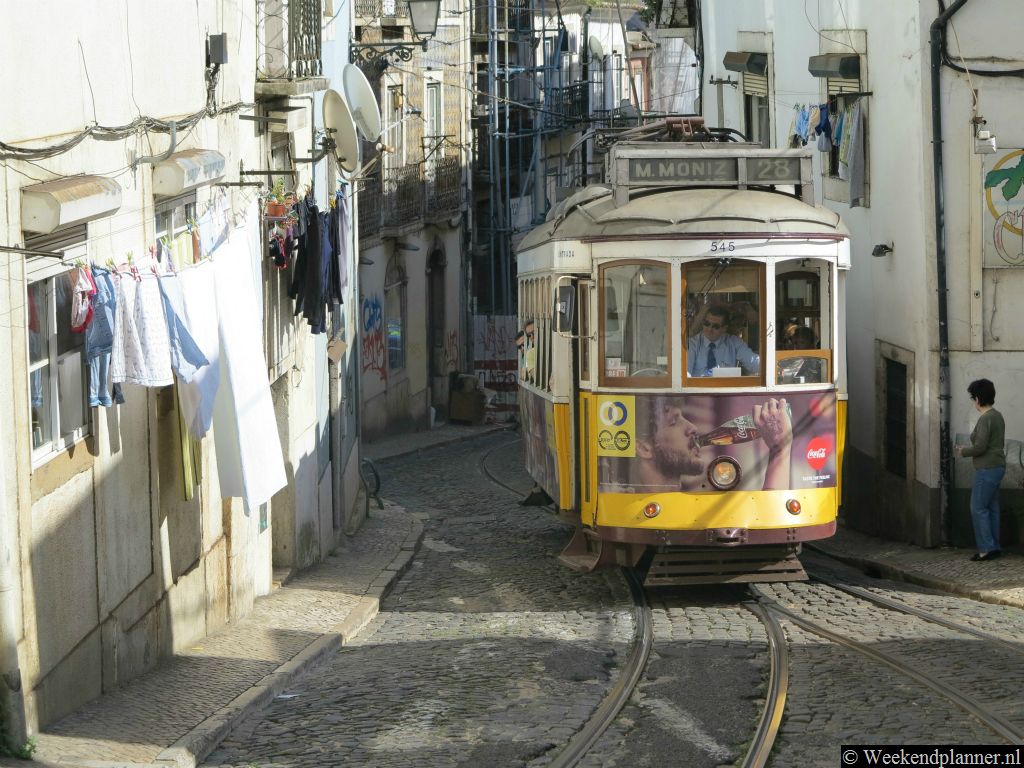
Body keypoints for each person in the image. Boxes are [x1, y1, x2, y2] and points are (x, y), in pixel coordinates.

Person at [623, 396, 792, 492]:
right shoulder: (635, 514)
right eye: (674, 421)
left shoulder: (689, 503)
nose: (692, 428)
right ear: (644, 448)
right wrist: (780, 448)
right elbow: (766, 521)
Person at [955, 378, 1006, 561]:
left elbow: (980, 447)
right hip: (998, 466)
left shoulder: (986, 419)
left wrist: (963, 451)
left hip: (986, 468)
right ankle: (994, 546)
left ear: (977, 399)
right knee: (991, 507)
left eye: (973, 398)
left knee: (977, 507)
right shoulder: (997, 415)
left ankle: (986, 548)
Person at [687, 306, 760, 377]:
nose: (710, 329)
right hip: (699, 388)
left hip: (725, 388)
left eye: (716, 326)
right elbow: (686, 374)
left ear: (724, 329)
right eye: (707, 324)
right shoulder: (693, 344)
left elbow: (755, 364)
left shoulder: (734, 343)